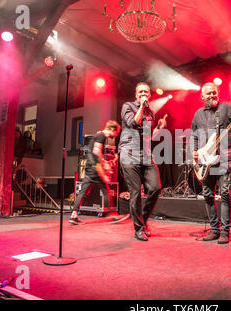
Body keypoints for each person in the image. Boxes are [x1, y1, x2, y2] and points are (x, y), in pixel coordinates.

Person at [191, 82, 231, 244]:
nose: (212, 95)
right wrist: (195, 152)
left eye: (214, 93)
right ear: (202, 97)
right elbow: (194, 136)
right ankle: (214, 229)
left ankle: (225, 231)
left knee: (225, 194)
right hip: (205, 161)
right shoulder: (198, 114)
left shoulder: (226, 109)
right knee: (207, 194)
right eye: (209, 93)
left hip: (224, 158)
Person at [118, 82, 168, 241]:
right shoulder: (127, 106)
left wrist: (159, 128)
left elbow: (149, 136)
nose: (143, 94)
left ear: (150, 94)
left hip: (146, 154)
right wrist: (141, 106)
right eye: (140, 92)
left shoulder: (151, 113)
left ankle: (143, 221)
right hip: (129, 152)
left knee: (155, 188)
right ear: (136, 95)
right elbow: (134, 123)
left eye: (146, 92)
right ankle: (139, 229)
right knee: (135, 193)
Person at [69, 121, 121, 225]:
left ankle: (73, 215)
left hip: (89, 168)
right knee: (106, 190)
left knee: (83, 192)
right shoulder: (101, 137)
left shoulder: (98, 136)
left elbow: (96, 154)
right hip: (95, 169)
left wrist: (105, 163)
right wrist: (103, 170)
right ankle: (113, 215)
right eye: (116, 133)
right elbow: (97, 153)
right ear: (112, 129)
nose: (115, 135)